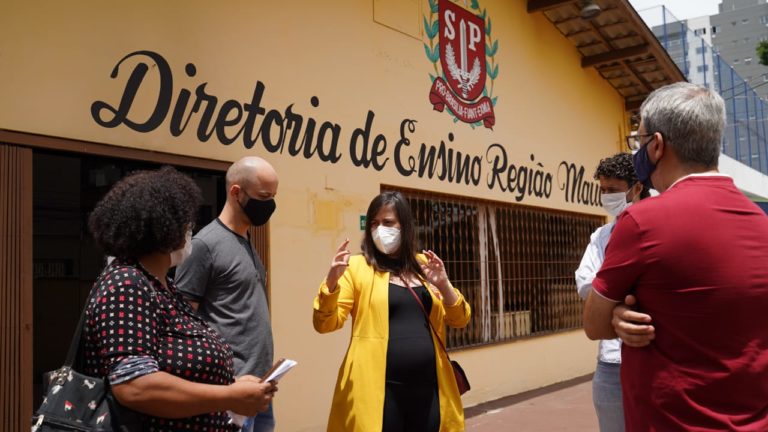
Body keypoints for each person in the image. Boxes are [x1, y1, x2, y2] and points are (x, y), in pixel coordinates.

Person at [583, 82, 768, 431]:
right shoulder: (761, 223)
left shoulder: (641, 221)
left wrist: (617, 313)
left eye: (639, 140)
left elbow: (594, 324)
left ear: (657, 145)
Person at [84, 166, 276, 431]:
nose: (190, 231)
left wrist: (232, 385)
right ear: (161, 227)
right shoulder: (126, 284)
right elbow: (135, 386)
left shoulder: (164, 288)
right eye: (185, 222)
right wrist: (229, 396)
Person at [313, 191, 471, 432]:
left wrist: (444, 285)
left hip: (430, 387)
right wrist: (332, 284)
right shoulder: (357, 267)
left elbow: (460, 319)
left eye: (388, 223)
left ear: (405, 227)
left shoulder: (424, 265)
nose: (379, 230)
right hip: (378, 389)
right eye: (374, 223)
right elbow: (325, 324)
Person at [176, 156, 279, 432]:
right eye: (264, 196)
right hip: (229, 391)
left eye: (273, 196)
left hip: (260, 387)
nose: (270, 204)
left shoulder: (246, 241)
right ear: (236, 192)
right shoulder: (204, 246)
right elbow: (184, 324)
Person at [575, 152, 647, 432]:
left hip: (650, 354)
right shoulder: (601, 236)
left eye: (613, 190)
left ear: (637, 188)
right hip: (610, 363)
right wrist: (625, 295)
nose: (606, 196)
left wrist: (606, 295)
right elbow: (584, 283)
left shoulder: (654, 228)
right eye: (602, 190)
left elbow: (597, 286)